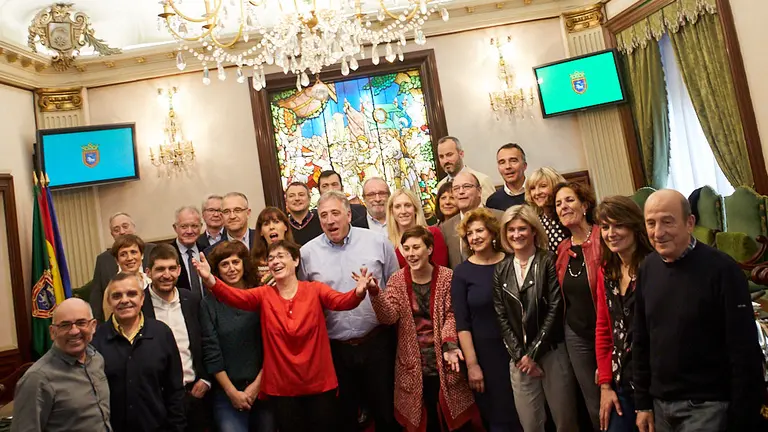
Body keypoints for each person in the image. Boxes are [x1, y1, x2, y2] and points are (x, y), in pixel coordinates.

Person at [193, 240, 376, 432]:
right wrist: (210, 279)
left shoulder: (315, 289)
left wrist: (358, 292)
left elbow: (341, 302)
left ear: (296, 261)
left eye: (281, 256)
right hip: (282, 389)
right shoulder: (264, 295)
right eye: (271, 258)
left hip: (319, 384)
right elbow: (235, 297)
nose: (275, 261)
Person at [634, 190, 765, 432]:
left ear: (690, 223)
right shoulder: (647, 268)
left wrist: (743, 416)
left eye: (667, 221)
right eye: (651, 223)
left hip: (708, 408)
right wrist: (642, 403)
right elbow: (641, 340)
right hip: (660, 408)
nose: (658, 232)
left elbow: (744, 350)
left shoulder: (722, 270)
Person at [299, 190, 401, 432]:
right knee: (344, 418)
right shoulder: (307, 254)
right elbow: (306, 298)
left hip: (377, 342)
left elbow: (396, 288)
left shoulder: (378, 243)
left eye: (335, 213)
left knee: (386, 413)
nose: (330, 220)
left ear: (348, 214)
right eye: (323, 215)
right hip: (336, 350)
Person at [369, 226, 481, 431]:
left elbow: (452, 314)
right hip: (412, 365)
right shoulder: (397, 280)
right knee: (423, 421)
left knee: (454, 421)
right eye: (406, 248)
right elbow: (389, 317)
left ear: (429, 249)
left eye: (416, 247)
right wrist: (375, 294)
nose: (411, 254)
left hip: (447, 362)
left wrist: (449, 345)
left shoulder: (448, 277)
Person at [494, 205, 578, 432]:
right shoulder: (501, 269)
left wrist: (534, 354)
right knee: (530, 425)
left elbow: (555, 307)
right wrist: (522, 356)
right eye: (511, 230)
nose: (516, 234)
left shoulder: (549, 260)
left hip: (552, 352)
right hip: (519, 360)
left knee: (566, 423)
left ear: (533, 231)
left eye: (522, 228)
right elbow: (501, 316)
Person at [452, 208, 520, 431]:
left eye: (479, 231)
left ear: (492, 233)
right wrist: (472, 365)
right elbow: (462, 324)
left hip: (518, 351)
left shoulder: (512, 262)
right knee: (498, 420)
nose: (475, 237)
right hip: (485, 356)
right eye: (470, 234)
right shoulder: (462, 273)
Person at [91, 273, 186, 432]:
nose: (124, 300)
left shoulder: (161, 333)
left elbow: (174, 390)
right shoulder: (96, 340)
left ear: (142, 299)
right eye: (117, 296)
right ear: (109, 301)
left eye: (132, 294)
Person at [593, 196, 653, 432]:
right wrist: (605, 386)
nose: (611, 233)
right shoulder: (606, 271)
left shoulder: (654, 266)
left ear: (634, 226)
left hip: (653, 382)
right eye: (605, 227)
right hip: (620, 381)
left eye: (619, 225)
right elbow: (604, 330)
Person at [200, 240, 274, 432]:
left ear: (244, 264)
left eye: (235, 262)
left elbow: (272, 345)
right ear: (217, 270)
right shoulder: (208, 304)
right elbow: (211, 351)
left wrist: (256, 387)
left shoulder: (261, 296)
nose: (231, 268)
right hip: (227, 393)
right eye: (225, 264)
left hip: (264, 387)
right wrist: (232, 393)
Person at [140, 244, 212, 432]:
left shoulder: (193, 301)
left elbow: (207, 342)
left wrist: (206, 379)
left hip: (194, 395)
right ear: (148, 272)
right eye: (160, 269)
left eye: (172, 268)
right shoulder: (139, 305)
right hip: (156, 400)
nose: (167, 275)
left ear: (179, 270)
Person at [12, 298, 111, 432]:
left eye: (81, 323)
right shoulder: (37, 379)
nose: (74, 331)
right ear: (53, 332)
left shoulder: (96, 359)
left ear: (93, 326)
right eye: (65, 325)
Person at [553, 181, 601, 431]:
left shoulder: (604, 238)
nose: (563, 207)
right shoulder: (562, 250)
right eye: (559, 203)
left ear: (584, 205)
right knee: (593, 403)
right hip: (576, 335)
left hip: (607, 332)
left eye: (569, 200)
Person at [90, 212, 155, 321]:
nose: (122, 232)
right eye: (116, 229)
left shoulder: (153, 251)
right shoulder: (103, 260)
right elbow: (97, 297)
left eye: (125, 227)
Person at [442, 171, 504, 269]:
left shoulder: (501, 218)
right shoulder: (446, 227)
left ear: (479, 191)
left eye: (466, 186)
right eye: (456, 188)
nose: (461, 192)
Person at [386, 188, 449, 268]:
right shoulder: (388, 243)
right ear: (392, 211)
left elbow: (442, 272)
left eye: (407, 205)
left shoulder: (433, 234)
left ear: (415, 209)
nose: (403, 211)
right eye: (397, 207)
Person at [102, 234, 152, 319]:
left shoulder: (150, 281)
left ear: (142, 255)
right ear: (117, 260)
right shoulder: (111, 289)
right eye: (123, 254)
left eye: (133, 252)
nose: (129, 258)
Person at [435, 136, 496, 204]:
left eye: (449, 155)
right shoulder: (440, 185)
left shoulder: (482, 180)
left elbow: (491, 212)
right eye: (441, 156)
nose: (445, 160)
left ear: (461, 154)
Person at [525, 167, 569, 253]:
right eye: (533, 188)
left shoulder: (567, 215)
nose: (537, 193)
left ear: (556, 186)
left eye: (543, 186)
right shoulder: (535, 221)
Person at [251, 207, 295, 284]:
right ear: (261, 232)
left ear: (285, 227)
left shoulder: (298, 253)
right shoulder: (254, 260)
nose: (271, 227)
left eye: (276, 222)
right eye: (266, 224)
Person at [171, 206, 205, 296]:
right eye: (184, 226)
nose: (189, 231)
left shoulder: (208, 251)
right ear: (175, 228)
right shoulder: (167, 254)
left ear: (201, 227)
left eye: (194, 226)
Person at [486, 143, 528, 211]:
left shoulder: (538, 195)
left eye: (513, 161)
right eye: (502, 162)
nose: (508, 166)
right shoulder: (493, 202)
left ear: (524, 166)